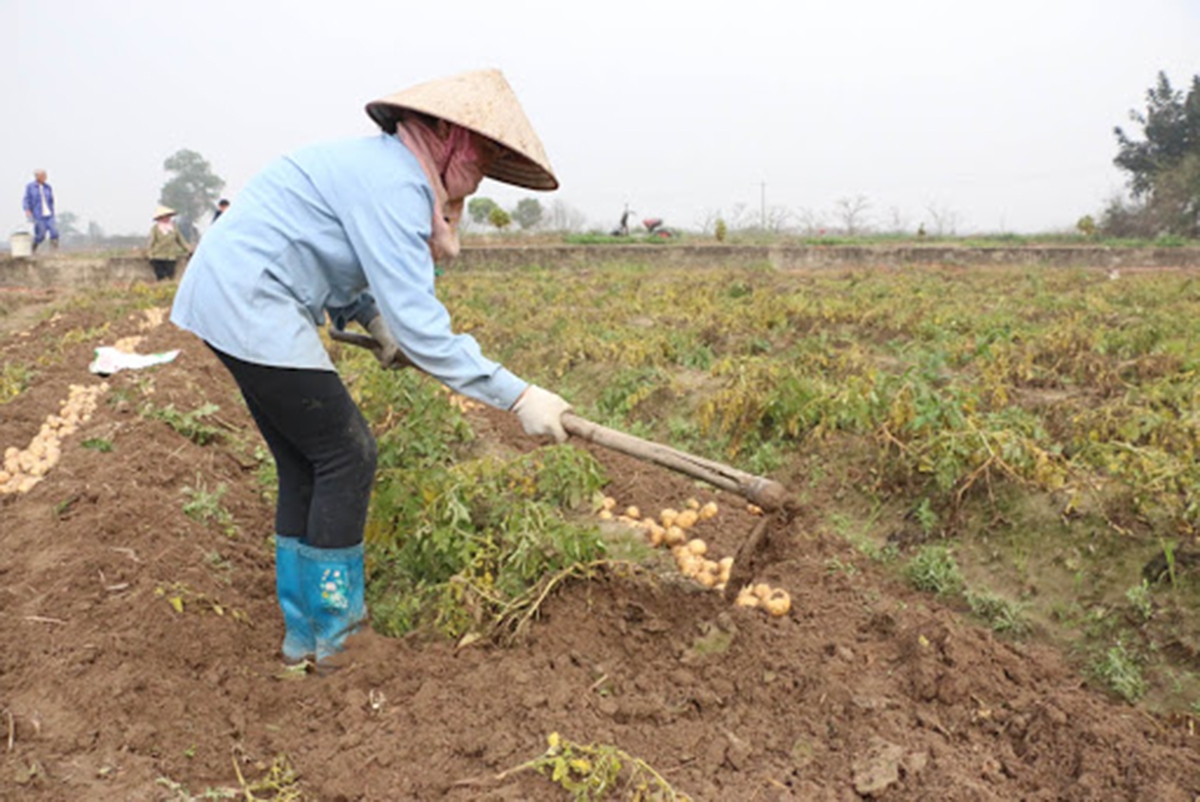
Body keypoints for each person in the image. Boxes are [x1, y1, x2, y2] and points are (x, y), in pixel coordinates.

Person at [170, 68, 571, 669]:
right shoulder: (397, 184)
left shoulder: (382, 168)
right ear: (445, 132)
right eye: (482, 150)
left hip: (231, 295)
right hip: (253, 299)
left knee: (306, 462)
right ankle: (340, 640)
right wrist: (518, 397)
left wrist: (370, 318)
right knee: (346, 454)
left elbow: (334, 254)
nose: (482, 171)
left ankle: (304, 637)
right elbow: (423, 326)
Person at [146, 206, 193, 280]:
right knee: (160, 277)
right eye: (165, 216)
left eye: (168, 216)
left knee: (170, 276)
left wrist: (189, 250)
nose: (167, 218)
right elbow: (151, 242)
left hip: (171, 257)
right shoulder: (155, 229)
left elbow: (181, 241)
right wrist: (150, 255)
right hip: (158, 257)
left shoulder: (173, 228)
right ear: (160, 217)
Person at [22, 170, 59, 252]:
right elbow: (26, 199)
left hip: (49, 214)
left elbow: (51, 200)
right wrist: (27, 209)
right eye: (42, 175)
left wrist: (52, 209)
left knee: (54, 231)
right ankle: (33, 247)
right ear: (37, 177)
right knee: (41, 234)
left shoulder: (48, 187)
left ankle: (54, 251)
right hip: (38, 214)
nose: (44, 177)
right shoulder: (30, 187)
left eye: (45, 175)